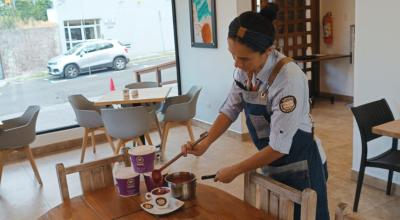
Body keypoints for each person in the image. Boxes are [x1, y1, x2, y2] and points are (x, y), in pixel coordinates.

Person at [181, 4, 329, 220]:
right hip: (271, 162)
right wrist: (205, 143)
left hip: (301, 165)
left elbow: (279, 147)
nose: (237, 64)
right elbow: (230, 109)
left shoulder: (288, 80)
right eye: (233, 56)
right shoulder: (246, 71)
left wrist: (236, 169)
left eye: (244, 58)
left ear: (268, 51)